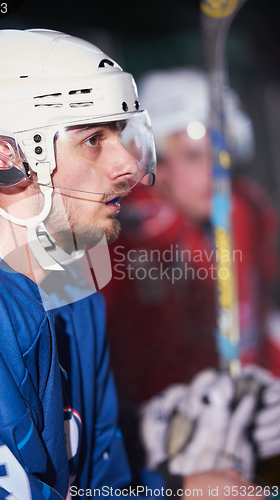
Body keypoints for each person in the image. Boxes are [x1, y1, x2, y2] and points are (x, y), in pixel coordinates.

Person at [0, 31, 267, 499]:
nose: (129, 165)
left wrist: (175, 488)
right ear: (5, 157)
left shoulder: (72, 280)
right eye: (94, 139)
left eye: (120, 135)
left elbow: (97, 486)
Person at [102, 68, 280, 485]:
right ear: (151, 158)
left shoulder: (245, 208)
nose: (217, 175)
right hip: (161, 445)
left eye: (225, 158)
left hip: (250, 422)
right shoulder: (117, 228)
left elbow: (258, 316)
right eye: (196, 155)